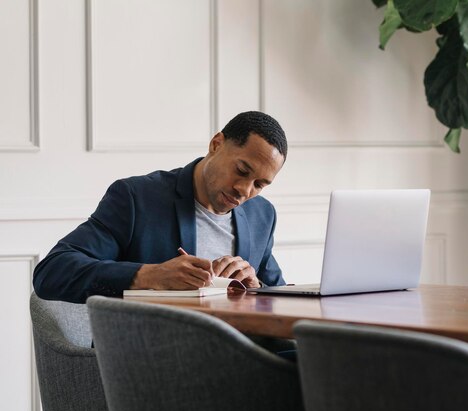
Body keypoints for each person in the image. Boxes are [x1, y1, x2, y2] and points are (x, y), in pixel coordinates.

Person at [33, 111, 288, 303]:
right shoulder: (136, 198)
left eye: (260, 184)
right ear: (216, 144)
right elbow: (52, 272)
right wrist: (149, 276)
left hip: (243, 354)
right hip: (154, 357)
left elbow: (284, 299)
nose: (245, 190)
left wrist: (256, 287)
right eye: (242, 170)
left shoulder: (261, 215)